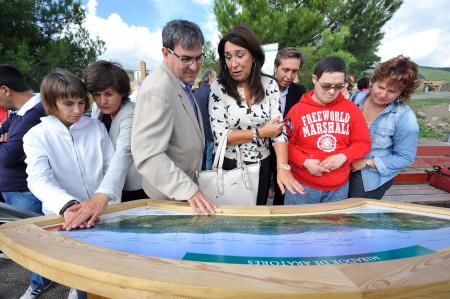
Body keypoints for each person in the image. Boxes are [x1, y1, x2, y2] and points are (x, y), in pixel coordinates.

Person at [209, 25, 304, 206]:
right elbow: (220, 136)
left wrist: (283, 166)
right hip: (230, 164)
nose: (233, 63)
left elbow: (277, 130)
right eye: (228, 57)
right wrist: (259, 133)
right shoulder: (218, 89)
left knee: (258, 214)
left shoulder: (269, 85)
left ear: (253, 56)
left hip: (262, 164)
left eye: (239, 55)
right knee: (233, 218)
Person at [131, 19, 216, 215]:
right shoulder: (157, 89)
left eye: (198, 58)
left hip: (183, 192)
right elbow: (148, 155)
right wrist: (190, 191)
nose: (194, 67)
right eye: (185, 59)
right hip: (169, 198)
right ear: (165, 53)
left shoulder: (179, 82)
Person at [23, 69, 118, 231]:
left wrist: (104, 200)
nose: (78, 110)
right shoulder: (37, 136)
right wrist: (67, 205)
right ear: (51, 102)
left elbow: (112, 168)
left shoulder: (96, 127)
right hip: (64, 216)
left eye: (81, 102)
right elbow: (38, 179)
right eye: (68, 104)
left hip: (106, 212)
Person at [285, 56, 371, 205]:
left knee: (333, 228)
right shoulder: (297, 111)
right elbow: (286, 144)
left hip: (339, 189)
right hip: (302, 186)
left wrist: (344, 156)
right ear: (314, 79)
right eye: (326, 85)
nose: (332, 92)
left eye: (338, 86)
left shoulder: (352, 110)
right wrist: (304, 161)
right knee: (296, 227)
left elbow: (363, 142)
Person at [0, 65, 52, 299]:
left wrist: (7, 143)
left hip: (25, 189)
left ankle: (39, 282)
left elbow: (8, 156)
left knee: (35, 241)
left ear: (5, 90)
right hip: (12, 188)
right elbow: (7, 144)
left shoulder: (35, 112)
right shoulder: (17, 113)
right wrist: (6, 141)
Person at [349, 55, 420, 199]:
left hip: (369, 176)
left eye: (392, 91)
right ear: (372, 81)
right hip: (344, 166)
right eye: (380, 87)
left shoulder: (405, 118)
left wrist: (367, 163)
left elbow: (406, 157)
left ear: (402, 92)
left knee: (356, 219)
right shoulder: (355, 99)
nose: (382, 94)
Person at [84, 60, 145, 202]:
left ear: (122, 92)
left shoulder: (130, 112)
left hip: (132, 188)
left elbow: (124, 150)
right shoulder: (98, 110)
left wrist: (104, 193)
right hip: (108, 184)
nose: (102, 101)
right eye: (97, 95)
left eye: (109, 94)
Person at [270, 47, 306, 205]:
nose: (290, 76)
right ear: (275, 67)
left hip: (287, 150)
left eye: (294, 71)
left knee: (282, 192)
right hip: (261, 149)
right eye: (285, 70)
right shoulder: (260, 87)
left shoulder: (299, 91)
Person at [194, 69, 217, 170]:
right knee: (209, 157)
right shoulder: (211, 92)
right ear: (210, 78)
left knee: (202, 157)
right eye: (215, 77)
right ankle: (208, 178)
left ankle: (201, 176)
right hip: (210, 130)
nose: (216, 79)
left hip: (199, 130)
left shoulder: (196, 92)